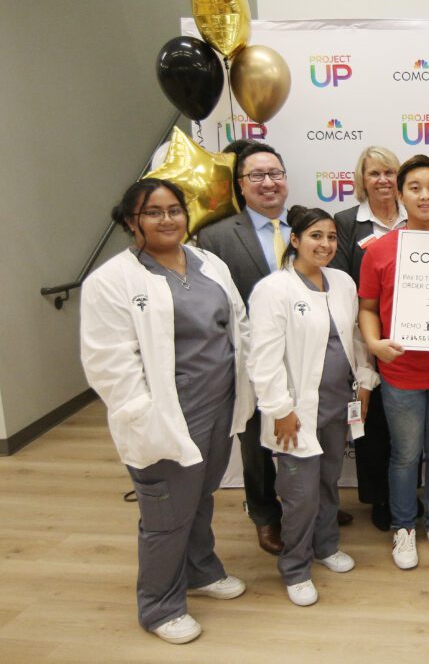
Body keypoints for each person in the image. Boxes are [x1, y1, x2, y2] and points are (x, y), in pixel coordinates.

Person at [81, 179, 254, 644]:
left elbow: (237, 324)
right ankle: (160, 606)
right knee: (166, 513)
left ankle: (200, 569)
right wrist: (141, 413)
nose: (167, 220)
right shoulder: (112, 281)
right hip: (163, 417)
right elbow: (107, 363)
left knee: (200, 498)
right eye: (152, 212)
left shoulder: (208, 262)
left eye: (174, 210)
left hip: (218, 405)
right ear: (129, 221)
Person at [247, 206, 377, 607]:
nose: (325, 244)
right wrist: (280, 410)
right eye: (316, 236)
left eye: (332, 237)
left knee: (327, 483)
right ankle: (295, 567)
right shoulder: (274, 290)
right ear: (296, 240)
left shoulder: (341, 282)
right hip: (295, 414)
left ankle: (325, 546)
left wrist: (366, 385)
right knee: (300, 494)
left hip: (339, 405)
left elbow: (355, 339)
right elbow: (262, 359)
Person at [358, 155, 429, 569]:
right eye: (415, 187)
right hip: (401, 372)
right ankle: (404, 528)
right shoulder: (381, 250)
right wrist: (374, 342)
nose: (425, 195)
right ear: (400, 194)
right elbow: (367, 307)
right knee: (405, 455)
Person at [196, 141, 290, 555]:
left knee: (307, 433)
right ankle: (265, 514)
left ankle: (309, 501)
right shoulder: (215, 236)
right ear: (240, 184)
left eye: (275, 174)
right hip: (251, 358)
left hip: (306, 354)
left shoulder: (309, 227)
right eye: (257, 176)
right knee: (255, 442)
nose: (268, 183)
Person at [330, 145, 407, 532]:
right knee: (372, 423)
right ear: (361, 181)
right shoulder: (346, 222)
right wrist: (365, 346)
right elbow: (341, 284)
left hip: (411, 343)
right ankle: (378, 498)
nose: (382, 180)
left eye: (390, 173)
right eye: (374, 173)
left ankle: (405, 494)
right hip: (365, 339)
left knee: (406, 428)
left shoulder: (417, 218)